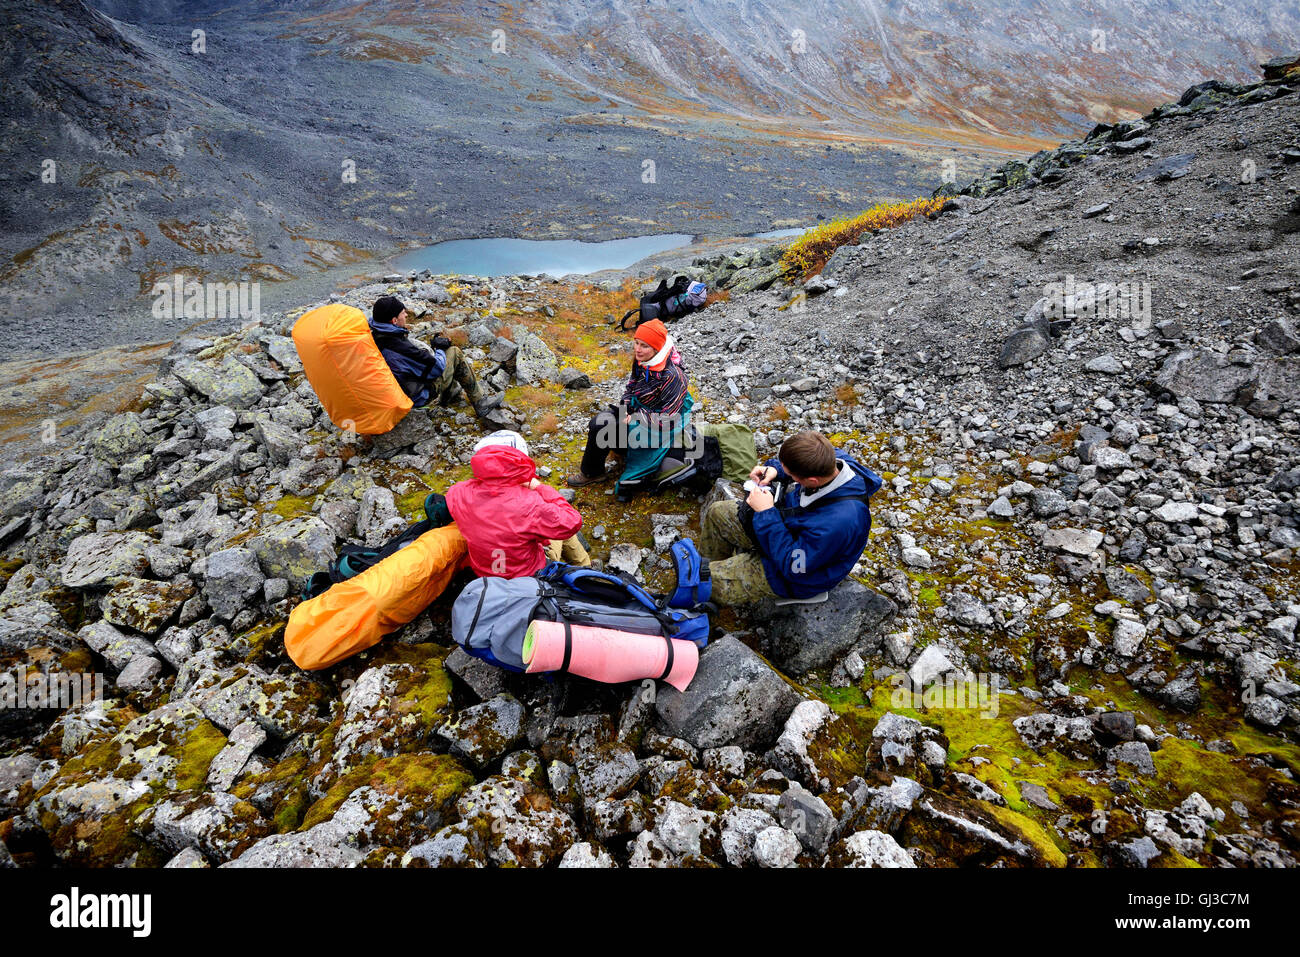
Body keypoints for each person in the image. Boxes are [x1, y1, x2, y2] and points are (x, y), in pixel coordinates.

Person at [697, 430, 882, 605]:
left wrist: (766, 513)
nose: (789, 476)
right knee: (717, 513)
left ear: (812, 481)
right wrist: (776, 470)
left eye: (792, 475)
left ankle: (700, 599)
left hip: (798, 573)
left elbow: (796, 566)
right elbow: (800, 463)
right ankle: (708, 567)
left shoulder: (839, 523)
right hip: (789, 530)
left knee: (700, 582)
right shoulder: (831, 459)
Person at [566, 318, 693, 501]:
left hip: (659, 428)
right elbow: (631, 387)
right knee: (601, 423)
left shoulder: (673, 376)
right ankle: (598, 468)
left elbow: (669, 419)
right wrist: (625, 407)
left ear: (657, 348)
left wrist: (636, 417)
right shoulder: (644, 361)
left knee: (603, 425)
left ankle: (596, 470)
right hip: (638, 413)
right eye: (636, 343)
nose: (638, 349)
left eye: (644, 346)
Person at [446, 430, 590, 579]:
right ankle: (586, 573)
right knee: (558, 525)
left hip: (486, 576)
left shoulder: (458, 492)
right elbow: (572, 522)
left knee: (547, 521)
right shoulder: (530, 503)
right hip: (526, 578)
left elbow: (494, 511)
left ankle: (585, 569)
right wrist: (540, 487)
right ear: (518, 461)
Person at [368, 295, 501, 421]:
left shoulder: (376, 336)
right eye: (403, 313)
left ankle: (451, 395)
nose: (407, 315)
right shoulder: (398, 347)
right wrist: (440, 349)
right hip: (417, 397)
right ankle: (480, 402)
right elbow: (436, 368)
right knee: (454, 352)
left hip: (395, 395)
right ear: (394, 320)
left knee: (437, 356)